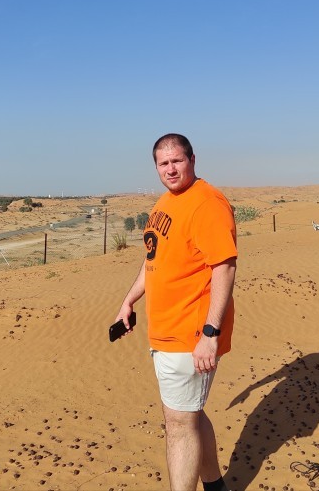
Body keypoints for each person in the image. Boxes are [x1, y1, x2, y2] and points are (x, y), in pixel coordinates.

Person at [115, 133, 237, 491]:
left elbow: (224, 267)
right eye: (163, 163)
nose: (170, 169)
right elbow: (154, 259)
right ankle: (215, 486)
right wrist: (129, 300)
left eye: (177, 161)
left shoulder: (207, 203)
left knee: (179, 424)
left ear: (192, 160)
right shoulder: (166, 202)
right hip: (165, 331)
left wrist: (210, 334)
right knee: (189, 415)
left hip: (191, 334)